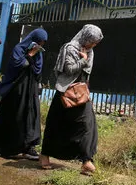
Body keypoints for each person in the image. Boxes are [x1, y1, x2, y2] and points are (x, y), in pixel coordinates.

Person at [39, 24, 103, 175]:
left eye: (95, 43)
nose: (93, 45)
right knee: (56, 124)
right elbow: (69, 69)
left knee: (88, 125)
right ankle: (44, 155)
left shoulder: (89, 51)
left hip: (81, 93)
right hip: (65, 92)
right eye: (92, 41)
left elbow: (86, 72)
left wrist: (87, 88)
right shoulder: (70, 48)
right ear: (85, 37)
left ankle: (86, 161)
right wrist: (83, 60)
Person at [0, 28, 48, 160]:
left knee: (30, 117)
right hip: (16, 90)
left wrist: (34, 55)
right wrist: (30, 55)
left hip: (30, 90)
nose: (40, 44)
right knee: (12, 116)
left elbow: (37, 70)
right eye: (38, 41)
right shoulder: (18, 49)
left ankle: (28, 148)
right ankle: (4, 147)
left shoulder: (39, 53)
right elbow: (18, 65)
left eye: (42, 43)